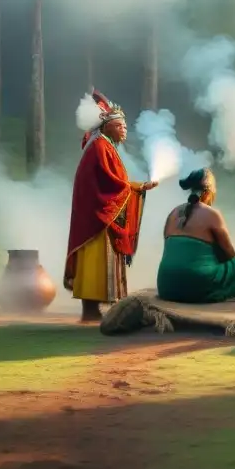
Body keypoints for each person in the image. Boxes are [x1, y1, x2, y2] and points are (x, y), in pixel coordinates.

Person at [64, 90, 158, 323]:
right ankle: (90, 311)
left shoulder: (105, 146)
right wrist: (137, 187)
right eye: (120, 125)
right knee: (96, 262)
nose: (124, 130)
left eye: (125, 126)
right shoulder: (100, 147)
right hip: (98, 217)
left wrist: (138, 186)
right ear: (106, 127)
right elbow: (112, 183)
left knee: (99, 262)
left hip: (99, 214)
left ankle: (93, 311)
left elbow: (114, 182)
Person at [157, 168, 235, 303]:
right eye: (214, 190)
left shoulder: (173, 213)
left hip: (165, 285)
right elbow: (229, 254)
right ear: (208, 192)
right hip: (197, 285)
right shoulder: (212, 214)